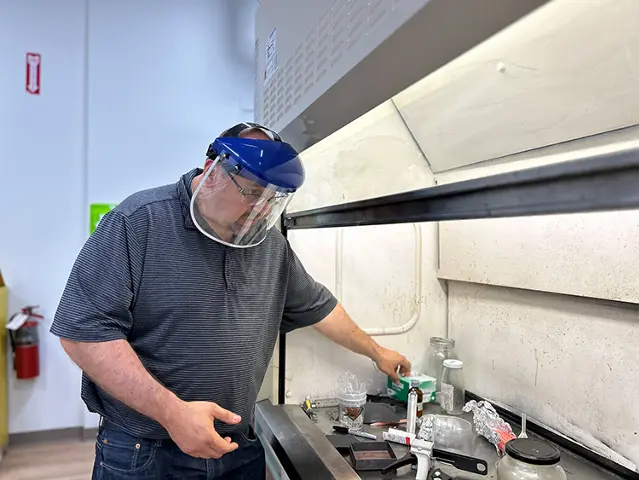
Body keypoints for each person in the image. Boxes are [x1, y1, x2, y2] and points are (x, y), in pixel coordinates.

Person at [50, 122, 411, 479]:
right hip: (145, 452)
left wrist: (378, 353)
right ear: (212, 170)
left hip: (237, 447)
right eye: (252, 193)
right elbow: (83, 333)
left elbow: (319, 307)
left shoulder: (267, 244)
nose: (259, 210)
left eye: (272, 199)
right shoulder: (138, 222)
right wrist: (173, 413)